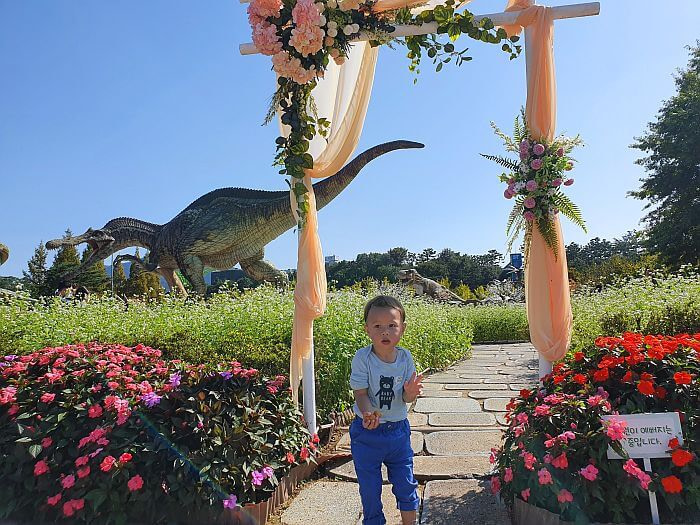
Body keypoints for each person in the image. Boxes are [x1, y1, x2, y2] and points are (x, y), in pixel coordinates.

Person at [350, 295, 424, 525]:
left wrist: (411, 392)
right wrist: (369, 412)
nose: (385, 332)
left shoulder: (405, 358)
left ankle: (409, 522)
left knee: (406, 482)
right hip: (367, 433)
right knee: (370, 488)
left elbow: (406, 397)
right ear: (367, 330)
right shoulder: (363, 358)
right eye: (378, 326)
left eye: (392, 326)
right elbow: (360, 393)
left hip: (398, 433)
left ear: (402, 328)